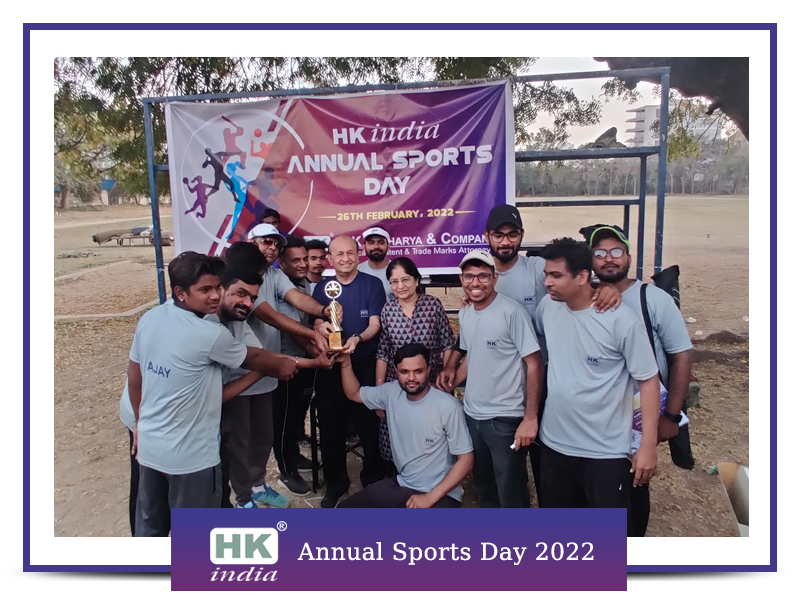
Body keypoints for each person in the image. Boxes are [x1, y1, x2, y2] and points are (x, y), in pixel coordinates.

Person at [437, 204, 622, 503]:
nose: (506, 241)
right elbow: (472, 346)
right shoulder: (472, 302)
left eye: (512, 234)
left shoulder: (535, 271)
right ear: (487, 236)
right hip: (489, 401)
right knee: (491, 480)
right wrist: (452, 373)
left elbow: (575, 277)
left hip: (540, 384)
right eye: (499, 235)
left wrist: (606, 287)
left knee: (536, 465)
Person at [128, 252, 300, 536]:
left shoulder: (152, 317)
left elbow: (135, 377)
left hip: (150, 447)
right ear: (180, 292)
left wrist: (139, 423)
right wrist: (286, 364)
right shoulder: (208, 334)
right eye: (204, 289)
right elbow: (261, 359)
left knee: (151, 526)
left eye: (218, 287)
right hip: (192, 458)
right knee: (196, 534)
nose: (214, 295)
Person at [533, 238, 660, 519]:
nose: (548, 283)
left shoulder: (620, 320)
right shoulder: (547, 307)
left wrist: (648, 446)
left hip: (605, 452)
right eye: (546, 275)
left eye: (556, 275)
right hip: (554, 444)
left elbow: (648, 380)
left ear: (582, 277)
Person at [586, 225, 693, 536]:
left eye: (616, 251)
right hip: (598, 417)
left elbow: (681, 356)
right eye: (600, 253)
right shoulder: (585, 296)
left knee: (634, 486)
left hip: (638, 416)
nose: (609, 259)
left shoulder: (653, 299)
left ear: (629, 257)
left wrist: (671, 415)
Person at [208, 266, 335, 509]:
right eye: (241, 294)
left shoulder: (238, 319)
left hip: (254, 385)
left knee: (263, 439)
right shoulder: (208, 327)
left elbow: (263, 356)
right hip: (220, 399)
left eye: (253, 298)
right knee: (235, 450)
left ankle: (256, 487)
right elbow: (260, 360)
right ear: (221, 289)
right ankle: (243, 501)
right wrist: (293, 362)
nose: (248, 303)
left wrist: (310, 362)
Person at [440, 249, 544, 508]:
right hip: (473, 415)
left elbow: (534, 364)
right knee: (485, 487)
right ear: (461, 279)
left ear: (495, 278)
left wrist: (530, 417)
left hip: (504, 418)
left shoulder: (512, 313)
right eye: (469, 276)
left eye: (483, 276)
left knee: (511, 491)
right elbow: (471, 357)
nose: (475, 282)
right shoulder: (466, 313)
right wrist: (449, 382)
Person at [337, 344, 474, 508]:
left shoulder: (448, 407)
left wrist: (429, 498)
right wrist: (345, 362)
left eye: (418, 371)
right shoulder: (391, 392)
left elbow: (466, 460)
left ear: (429, 370)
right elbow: (354, 393)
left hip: (440, 493)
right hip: (402, 484)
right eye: (404, 372)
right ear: (396, 371)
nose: (411, 378)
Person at [311, 235, 387, 507]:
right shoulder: (322, 288)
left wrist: (357, 339)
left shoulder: (373, 284)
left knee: (369, 426)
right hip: (330, 368)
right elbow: (316, 321)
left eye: (350, 253)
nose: (345, 258)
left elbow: (375, 324)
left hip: (364, 365)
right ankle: (336, 483)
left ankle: (373, 480)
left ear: (358, 254)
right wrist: (321, 327)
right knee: (331, 427)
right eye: (339, 254)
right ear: (330, 259)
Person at [375, 257, 455, 466]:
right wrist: (380, 392)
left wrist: (446, 377)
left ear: (416, 280)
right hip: (398, 387)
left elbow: (447, 343)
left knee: (431, 435)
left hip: (432, 384)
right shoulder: (388, 310)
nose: (400, 286)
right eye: (394, 281)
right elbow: (383, 353)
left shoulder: (433, 305)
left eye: (405, 279)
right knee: (398, 438)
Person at [273, 236, 318, 496]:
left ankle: (294, 455)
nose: (303, 264)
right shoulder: (281, 287)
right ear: (281, 263)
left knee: (298, 414)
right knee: (284, 419)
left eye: (305, 259)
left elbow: (306, 320)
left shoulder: (304, 283)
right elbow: (294, 330)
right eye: (295, 260)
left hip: (304, 360)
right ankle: (286, 470)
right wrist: (315, 349)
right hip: (284, 362)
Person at [357, 226, 393, 301]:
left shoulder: (397, 270)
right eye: (371, 243)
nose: (376, 246)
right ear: (364, 247)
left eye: (381, 242)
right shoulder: (357, 271)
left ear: (388, 247)